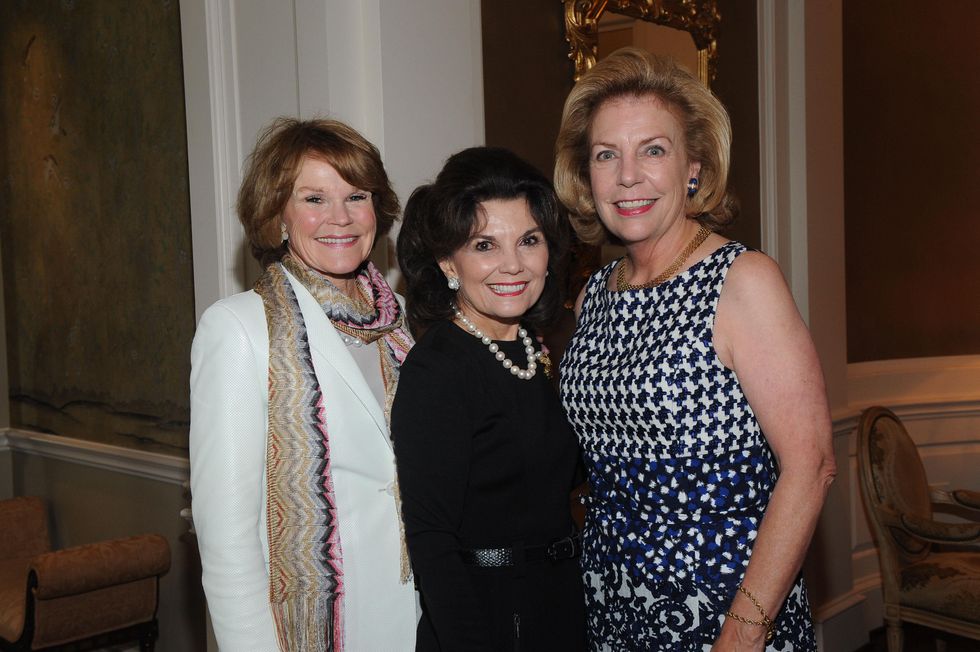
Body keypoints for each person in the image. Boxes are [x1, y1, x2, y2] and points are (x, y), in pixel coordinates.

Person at [554, 48, 837, 651]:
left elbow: (810, 466)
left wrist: (745, 631)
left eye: (653, 150)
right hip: (611, 604)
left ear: (694, 169)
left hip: (724, 607)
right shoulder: (595, 294)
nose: (628, 175)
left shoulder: (742, 281)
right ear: (586, 176)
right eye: (606, 154)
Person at [189, 117, 417, 651]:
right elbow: (226, 537)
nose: (341, 217)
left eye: (356, 196)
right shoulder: (240, 328)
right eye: (314, 199)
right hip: (324, 626)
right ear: (278, 217)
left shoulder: (403, 321)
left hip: (417, 612)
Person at [392, 147, 586, 651]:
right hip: (489, 620)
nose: (513, 265)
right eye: (484, 245)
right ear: (447, 261)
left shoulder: (535, 350)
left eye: (529, 240)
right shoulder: (439, 369)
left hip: (558, 606)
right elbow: (432, 541)